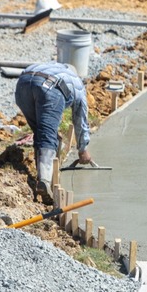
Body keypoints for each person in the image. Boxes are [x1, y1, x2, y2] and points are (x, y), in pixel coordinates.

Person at [15, 61, 92, 203]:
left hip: (22, 84)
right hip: (50, 88)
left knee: (41, 132)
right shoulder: (76, 82)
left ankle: (42, 176)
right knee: (47, 136)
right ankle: (44, 180)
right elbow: (80, 118)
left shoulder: (53, 66)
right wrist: (83, 148)